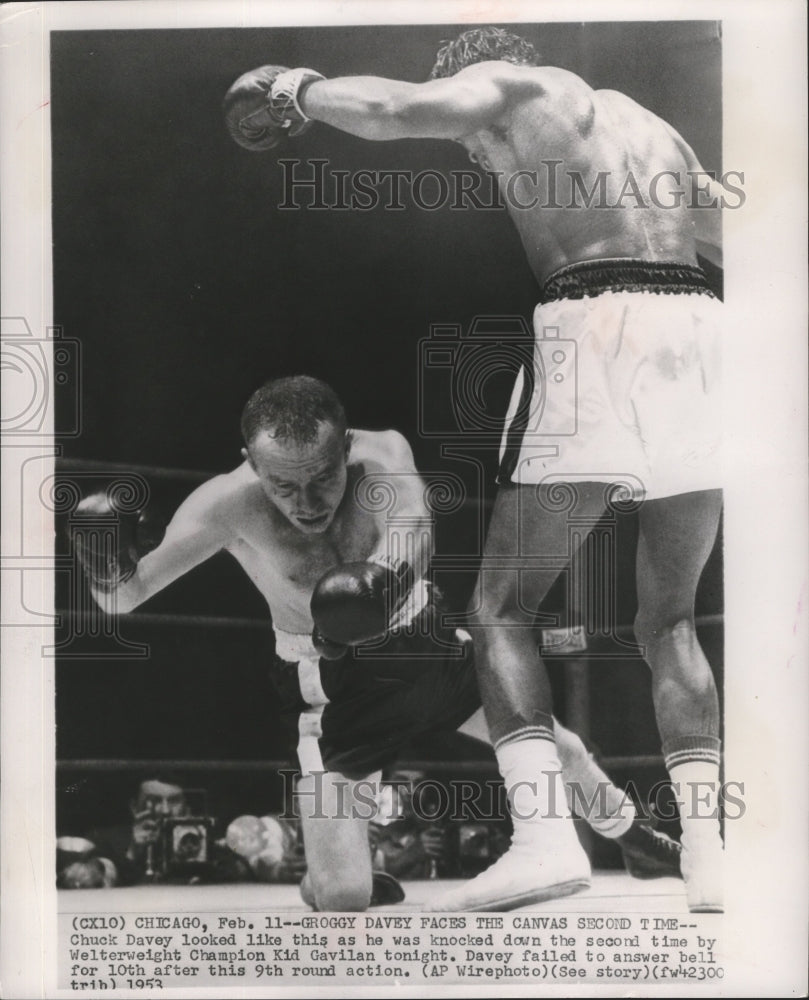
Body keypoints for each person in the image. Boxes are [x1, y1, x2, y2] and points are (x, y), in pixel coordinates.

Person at [223, 26, 726, 913]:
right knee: (671, 620)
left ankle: (542, 843)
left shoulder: (513, 86)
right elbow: (732, 236)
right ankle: (712, 860)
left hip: (595, 319)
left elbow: (391, 108)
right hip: (701, 330)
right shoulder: (654, 129)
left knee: (499, 609)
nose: (470, 146)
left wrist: (298, 87)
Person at [74, 375, 681, 911]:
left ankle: (636, 839)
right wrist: (102, 561)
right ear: (251, 465)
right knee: (340, 899)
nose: (306, 503)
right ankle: (334, 866)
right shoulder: (223, 506)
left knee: (562, 751)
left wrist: (379, 585)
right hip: (334, 687)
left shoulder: (383, 452)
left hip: (424, 646)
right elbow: (126, 597)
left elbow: (416, 528)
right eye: (283, 486)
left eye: (322, 478)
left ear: (346, 447)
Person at [60, 776, 251, 886]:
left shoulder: (205, 840)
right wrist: (133, 853)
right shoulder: (106, 839)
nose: (165, 810)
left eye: (174, 801)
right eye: (154, 801)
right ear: (135, 807)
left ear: (186, 807)